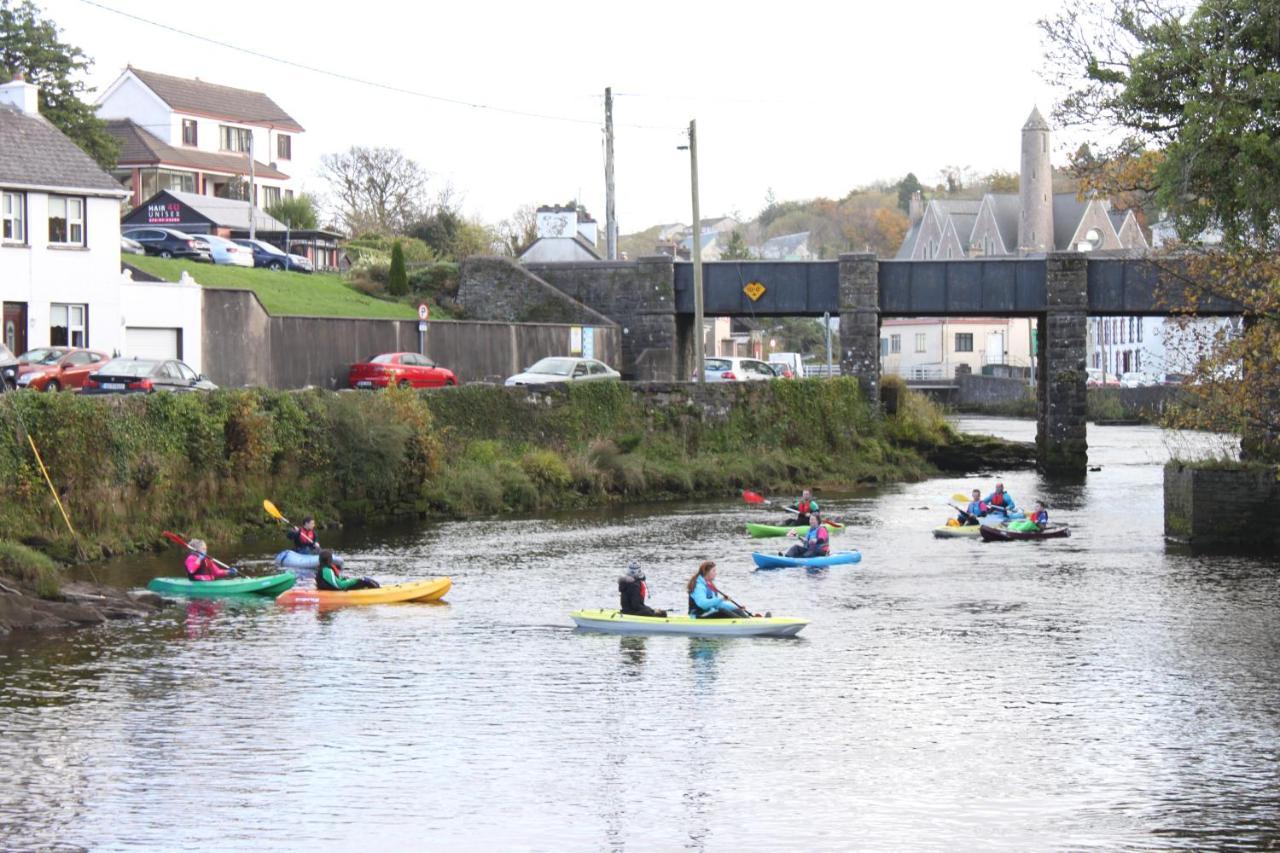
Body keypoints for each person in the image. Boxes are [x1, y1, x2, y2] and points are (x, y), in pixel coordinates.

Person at [687, 561, 751, 619]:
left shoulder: (709, 584)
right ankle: (743, 623)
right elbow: (703, 604)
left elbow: (717, 604)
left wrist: (736, 607)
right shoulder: (698, 586)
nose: (716, 573)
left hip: (709, 612)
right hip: (698, 615)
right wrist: (720, 599)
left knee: (737, 610)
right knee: (722, 611)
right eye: (713, 571)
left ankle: (748, 619)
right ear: (706, 572)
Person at [314, 549, 379, 591]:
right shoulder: (326, 570)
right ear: (329, 559)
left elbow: (335, 580)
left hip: (328, 589)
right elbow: (340, 585)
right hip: (334, 591)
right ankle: (378, 592)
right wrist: (355, 581)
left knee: (360, 580)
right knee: (364, 581)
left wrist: (345, 579)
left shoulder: (322, 569)